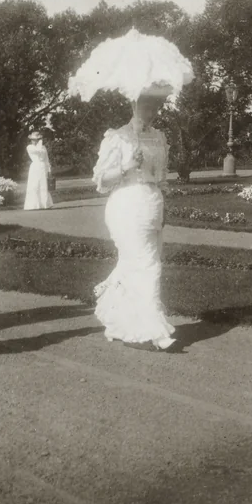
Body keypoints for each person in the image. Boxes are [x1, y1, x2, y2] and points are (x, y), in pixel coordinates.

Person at [90, 88, 176, 350]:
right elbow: (101, 180)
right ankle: (149, 332)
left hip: (152, 204)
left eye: (156, 107)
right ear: (134, 105)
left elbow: (161, 177)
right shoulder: (118, 137)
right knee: (147, 265)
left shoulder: (158, 137)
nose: (152, 112)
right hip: (127, 205)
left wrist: (163, 206)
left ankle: (121, 324)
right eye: (147, 106)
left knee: (135, 264)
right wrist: (126, 166)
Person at [23, 131, 54, 210]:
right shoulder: (29, 147)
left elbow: (46, 159)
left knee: (43, 184)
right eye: (33, 139)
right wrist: (40, 144)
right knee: (34, 185)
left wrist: (49, 169)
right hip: (35, 167)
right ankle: (33, 205)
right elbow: (37, 152)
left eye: (36, 139)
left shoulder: (43, 147)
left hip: (43, 167)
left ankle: (45, 204)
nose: (34, 141)